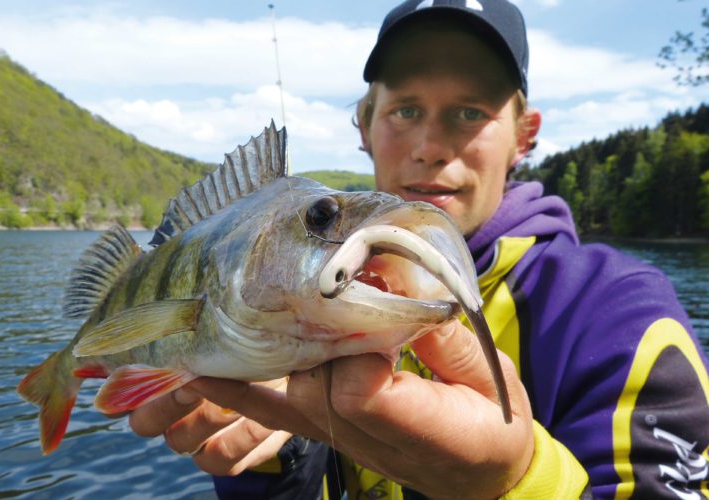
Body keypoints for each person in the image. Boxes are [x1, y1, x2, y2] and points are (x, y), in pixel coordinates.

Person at [127, 1, 709, 498]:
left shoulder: (622, 317)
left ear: (524, 135)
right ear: (364, 124)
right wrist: (283, 453)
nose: (430, 147)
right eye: (405, 110)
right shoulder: (293, 288)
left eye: (469, 112)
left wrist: (511, 480)